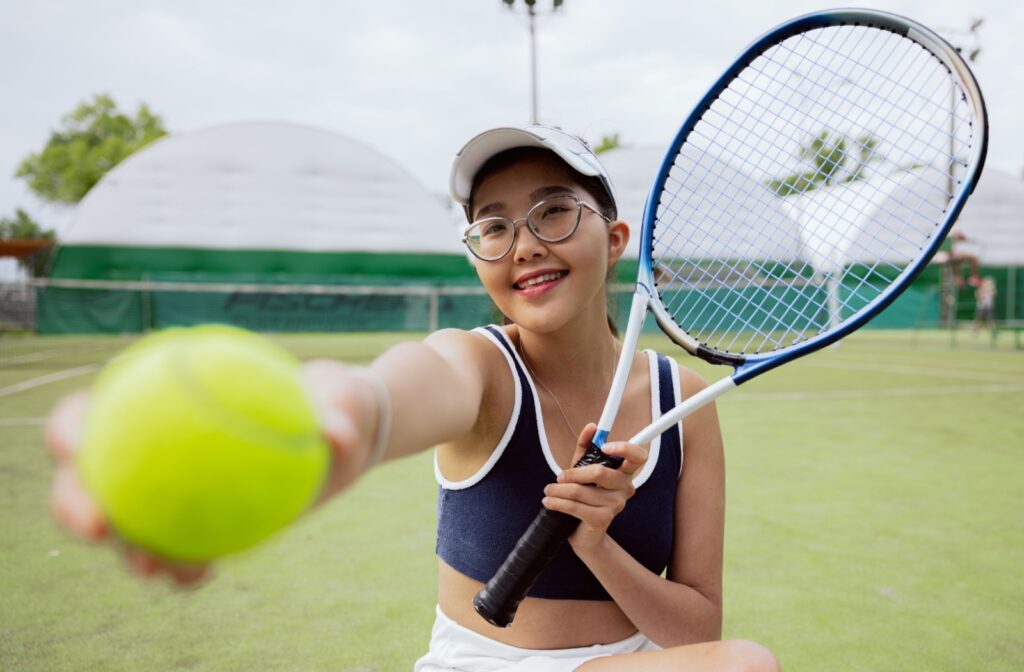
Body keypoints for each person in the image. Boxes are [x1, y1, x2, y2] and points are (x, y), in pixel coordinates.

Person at [46, 124, 780, 671]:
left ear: (615, 236)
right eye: (492, 226)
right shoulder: (479, 364)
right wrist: (339, 417)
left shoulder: (683, 398)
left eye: (553, 210)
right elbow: (394, 394)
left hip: (633, 662)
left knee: (744, 663)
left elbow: (698, 633)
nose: (522, 243)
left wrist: (597, 544)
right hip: (486, 665)